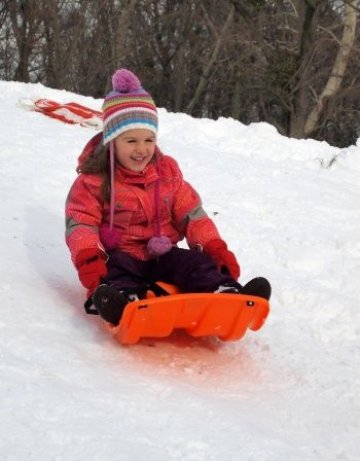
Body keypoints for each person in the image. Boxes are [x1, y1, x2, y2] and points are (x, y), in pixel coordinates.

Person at [65, 69, 271, 326]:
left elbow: (192, 215)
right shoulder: (93, 181)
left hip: (161, 252)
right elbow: (81, 223)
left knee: (193, 262)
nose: (142, 149)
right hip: (121, 253)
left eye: (149, 139)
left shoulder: (167, 174)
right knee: (114, 269)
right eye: (131, 141)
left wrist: (214, 248)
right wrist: (89, 259)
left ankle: (226, 293)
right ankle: (121, 300)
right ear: (111, 142)